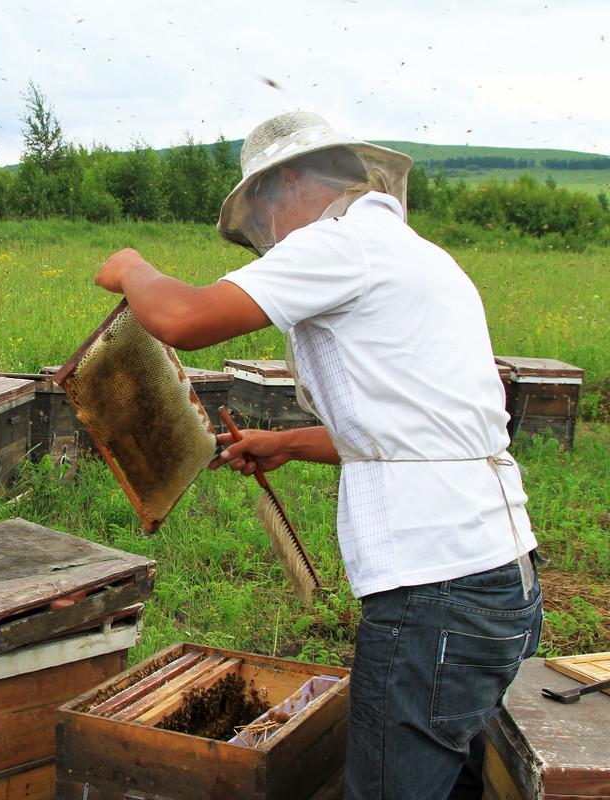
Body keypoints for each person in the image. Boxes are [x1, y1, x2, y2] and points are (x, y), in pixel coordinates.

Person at [93, 111, 541, 799]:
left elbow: (183, 318)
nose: (267, 235)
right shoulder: (422, 257)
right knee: (453, 783)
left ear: (290, 181)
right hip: (500, 578)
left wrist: (133, 267)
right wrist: (289, 444)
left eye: (261, 211)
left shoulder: (341, 244)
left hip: (436, 589)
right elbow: (419, 434)